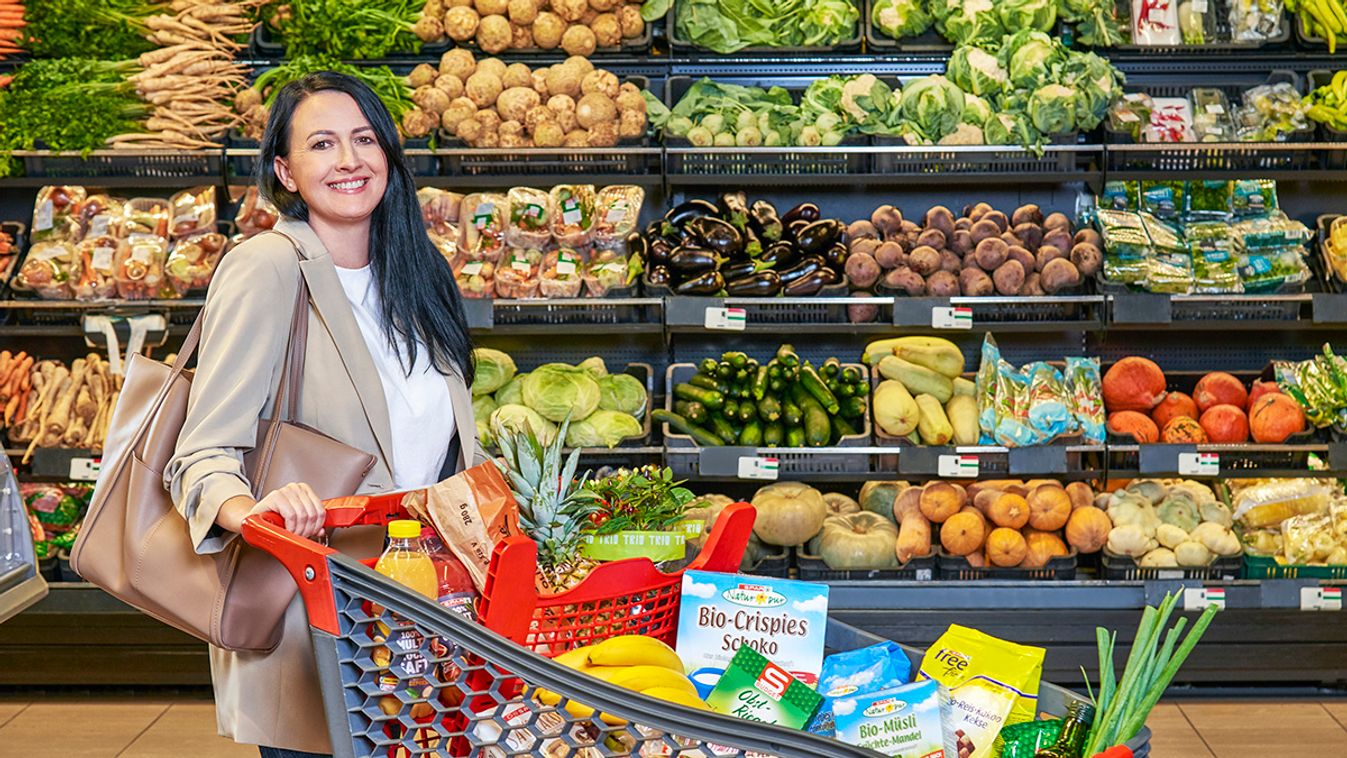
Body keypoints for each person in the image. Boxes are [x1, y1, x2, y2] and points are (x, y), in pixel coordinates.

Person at [166, 72, 483, 758]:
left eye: (364, 139)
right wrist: (259, 509)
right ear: (285, 169)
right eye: (322, 144)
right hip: (316, 623)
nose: (349, 160)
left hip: (419, 619)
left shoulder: (420, 272)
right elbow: (200, 455)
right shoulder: (269, 267)